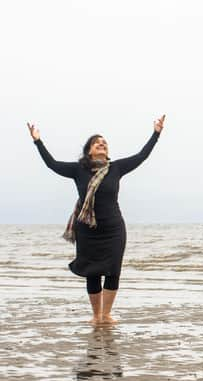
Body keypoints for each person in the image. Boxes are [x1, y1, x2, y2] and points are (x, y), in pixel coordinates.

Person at [27, 115, 166, 325]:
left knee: (113, 270)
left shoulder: (116, 168)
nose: (102, 144)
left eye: (104, 142)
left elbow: (141, 156)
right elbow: (52, 164)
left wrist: (156, 133)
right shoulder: (78, 170)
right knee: (92, 272)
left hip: (113, 228)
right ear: (89, 150)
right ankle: (96, 315)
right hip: (87, 230)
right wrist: (38, 140)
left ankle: (106, 315)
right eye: (97, 142)